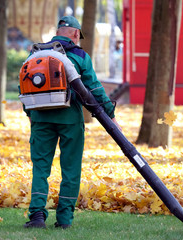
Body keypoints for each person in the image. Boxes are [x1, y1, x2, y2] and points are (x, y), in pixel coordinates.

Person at [22, 16, 121, 229]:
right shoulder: (79, 55)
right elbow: (94, 89)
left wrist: (31, 115)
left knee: (40, 168)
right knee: (71, 168)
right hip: (70, 120)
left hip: (40, 118)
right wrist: (111, 116)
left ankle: (37, 216)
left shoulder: (35, 53)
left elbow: (25, 85)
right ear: (76, 34)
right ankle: (64, 219)